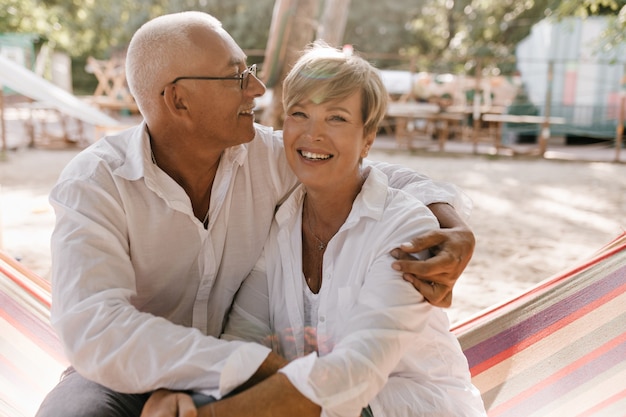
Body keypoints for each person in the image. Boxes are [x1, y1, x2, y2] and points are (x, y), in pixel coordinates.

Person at [36, 11, 474, 417]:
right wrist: (243, 368)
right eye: (236, 76)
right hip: (131, 369)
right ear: (179, 100)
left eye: (250, 72)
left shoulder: (264, 157)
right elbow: (95, 330)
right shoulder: (95, 184)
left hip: (258, 375)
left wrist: (450, 222)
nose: (257, 89)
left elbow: (358, 170)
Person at [140, 41, 485, 417]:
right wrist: (193, 397)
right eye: (299, 113)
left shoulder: (406, 228)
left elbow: (355, 375)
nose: (312, 134)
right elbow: (246, 339)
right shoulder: (278, 224)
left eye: (336, 118)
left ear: (368, 138)